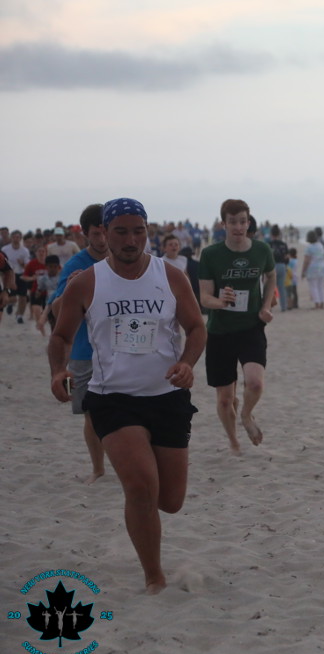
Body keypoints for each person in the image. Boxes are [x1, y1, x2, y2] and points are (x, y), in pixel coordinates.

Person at [48, 197, 206, 594]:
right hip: (113, 398)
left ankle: (145, 520)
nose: (131, 240)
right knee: (140, 487)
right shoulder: (87, 282)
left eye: (139, 231)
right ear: (104, 233)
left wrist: (187, 363)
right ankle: (154, 576)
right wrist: (58, 370)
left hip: (167, 396)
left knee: (170, 500)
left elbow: (196, 328)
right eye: (121, 232)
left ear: (147, 232)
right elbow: (61, 335)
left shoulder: (170, 276)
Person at [199, 199, 276, 454]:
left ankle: (246, 415)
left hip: (251, 328)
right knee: (225, 399)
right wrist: (220, 302)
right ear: (223, 224)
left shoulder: (262, 250)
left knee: (255, 383)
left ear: (248, 222)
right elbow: (204, 297)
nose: (238, 227)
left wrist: (266, 306)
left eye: (243, 221)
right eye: (232, 222)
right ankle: (233, 442)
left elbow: (271, 275)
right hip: (220, 332)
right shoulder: (211, 255)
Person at [48, 204, 110, 484]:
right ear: (85, 234)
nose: (103, 239)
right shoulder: (75, 264)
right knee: (90, 413)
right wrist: (71, 288)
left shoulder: (123, 258)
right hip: (83, 351)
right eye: (96, 234)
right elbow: (55, 310)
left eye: (106, 232)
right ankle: (98, 468)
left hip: (119, 348)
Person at [2, 230, 32, 322]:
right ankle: (10, 304)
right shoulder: (5, 249)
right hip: (10, 275)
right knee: (13, 298)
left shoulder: (25, 250)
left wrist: (22, 263)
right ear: (11, 238)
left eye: (18, 237)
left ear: (20, 238)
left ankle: (19, 316)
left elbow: (27, 266)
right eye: (14, 237)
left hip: (22, 274)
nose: (16, 239)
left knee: (23, 297)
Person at [300, 230, 324, 308]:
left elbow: (306, 261)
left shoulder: (309, 248)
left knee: (313, 286)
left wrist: (303, 271)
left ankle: (317, 303)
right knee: (321, 286)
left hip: (312, 269)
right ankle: (322, 303)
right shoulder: (320, 245)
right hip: (322, 267)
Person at [268, 225, 290, 311]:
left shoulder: (269, 244)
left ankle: (269, 307)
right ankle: (284, 306)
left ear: (271, 234)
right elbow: (287, 257)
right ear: (279, 233)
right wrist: (285, 264)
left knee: (270, 288)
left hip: (272, 266)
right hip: (281, 265)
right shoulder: (283, 244)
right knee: (281, 287)